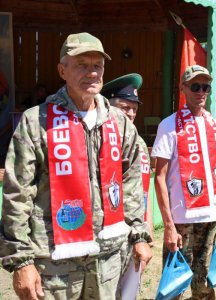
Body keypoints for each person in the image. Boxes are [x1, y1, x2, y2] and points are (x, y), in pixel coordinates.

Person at [0, 32, 152, 300]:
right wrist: (22, 261)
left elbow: (130, 183)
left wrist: (139, 235)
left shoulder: (119, 122)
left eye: (97, 66)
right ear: (62, 70)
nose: (92, 73)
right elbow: (17, 193)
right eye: (82, 64)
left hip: (108, 260)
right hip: (55, 263)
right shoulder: (36, 122)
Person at [152, 65, 216, 300]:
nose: (201, 91)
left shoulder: (215, 125)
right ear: (183, 88)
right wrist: (168, 225)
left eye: (206, 86)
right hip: (182, 220)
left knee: (204, 285)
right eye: (195, 86)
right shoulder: (169, 125)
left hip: (211, 219)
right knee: (175, 285)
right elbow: (160, 177)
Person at [101, 73, 154, 273]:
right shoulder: (100, 140)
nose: (131, 114)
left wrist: (146, 226)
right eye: (124, 108)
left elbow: (145, 188)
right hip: (111, 232)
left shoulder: (138, 142)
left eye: (134, 108)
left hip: (136, 230)